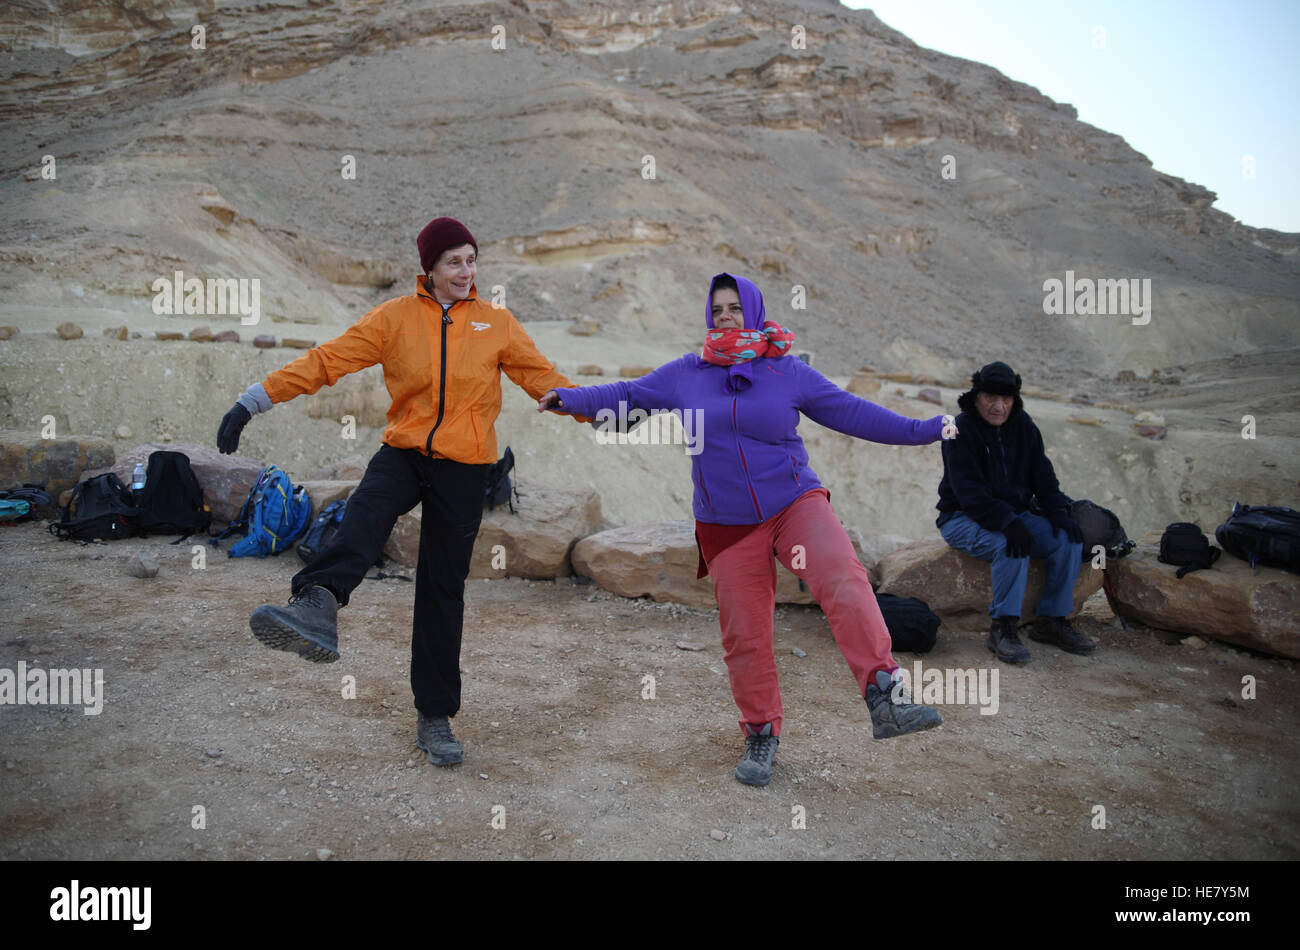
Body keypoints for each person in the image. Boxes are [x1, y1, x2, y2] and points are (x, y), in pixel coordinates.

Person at [538, 272, 955, 787]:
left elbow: (853, 413)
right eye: (716, 311)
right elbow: (629, 394)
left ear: (753, 310)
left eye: (734, 308)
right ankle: (761, 734)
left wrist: (924, 430)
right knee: (745, 634)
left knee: (841, 575)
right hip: (727, 524)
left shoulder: (787, 371)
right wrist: (572, 398)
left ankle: (885, 694)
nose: (725, 317)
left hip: (793, 503)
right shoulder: (687, 373)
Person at [215, 216, 588, 767]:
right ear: (430, 270)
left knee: (442, 590)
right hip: (406, 452)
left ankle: (434, 716)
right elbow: (328, 361)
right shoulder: (394, 319)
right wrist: (255, 399)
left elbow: (545, 379)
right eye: (453, 261)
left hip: (466, 468)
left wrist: (603, 407)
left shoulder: (497, 323)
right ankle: (316, 604)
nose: (466, 271)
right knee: (364, 511)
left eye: (471, 259)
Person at [935, 360, 1095, 664]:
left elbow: (1043, 477)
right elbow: (969, 493)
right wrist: (1007, 522)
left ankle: (1051, 621)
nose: (998, 406)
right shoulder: (960, 430)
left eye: (1006, 399)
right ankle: (1004, 628)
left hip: (1013, 515)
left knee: (1067, 539)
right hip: (962, 517)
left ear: (1014, 400)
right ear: (976, 396)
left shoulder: (1024, 426)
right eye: (990, 398)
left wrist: (1059, 512)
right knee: (1010, 544)